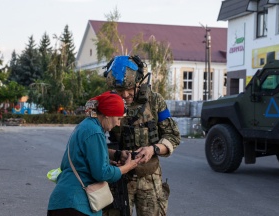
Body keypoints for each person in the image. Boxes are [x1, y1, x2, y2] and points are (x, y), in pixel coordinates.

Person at [102, 55, 181, 216]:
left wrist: (153, 149)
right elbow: (93, 140)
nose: (124, 94)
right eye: (119, 90)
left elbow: (172, 135)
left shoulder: (155, 101)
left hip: (150, 179)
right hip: (120, 178)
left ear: (139, 82)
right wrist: (116, 154)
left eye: (129, 88)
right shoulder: (107, 103)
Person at [47, 91, 140, 216]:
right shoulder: (95, 132)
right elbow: (102, 173)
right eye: (118, 118)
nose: (118, 123)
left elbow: (87, 154)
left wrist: (115, 155)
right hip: (76, 205)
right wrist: (126, 168)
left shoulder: (86, 125)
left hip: (63, 202)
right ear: (107, 115)